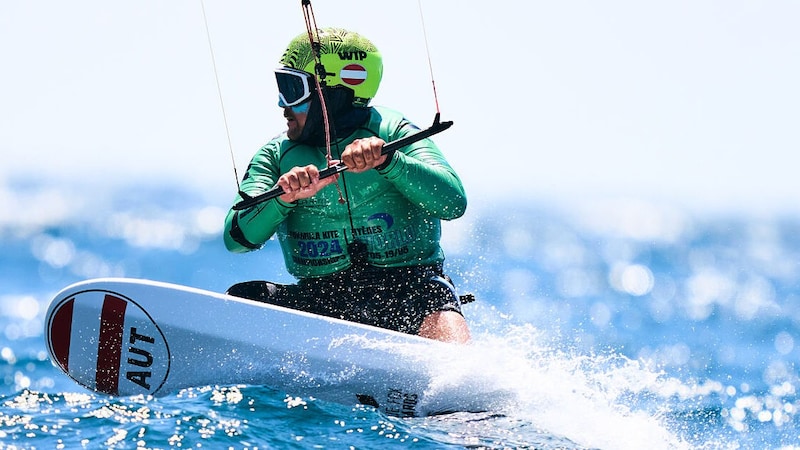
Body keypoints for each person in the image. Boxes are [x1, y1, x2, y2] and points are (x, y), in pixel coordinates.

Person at [222, 27, 470, 343]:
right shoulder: (276, 155)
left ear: (333, 93)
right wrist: (282, 199)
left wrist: (389, 162)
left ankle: (458, 379)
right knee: (243, 298)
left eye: (292, 89)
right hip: (320, 300)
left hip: (410, 291)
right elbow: (236, 239)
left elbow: (453, 202)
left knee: (436, 300)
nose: (283, 107)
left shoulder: (393, 131)